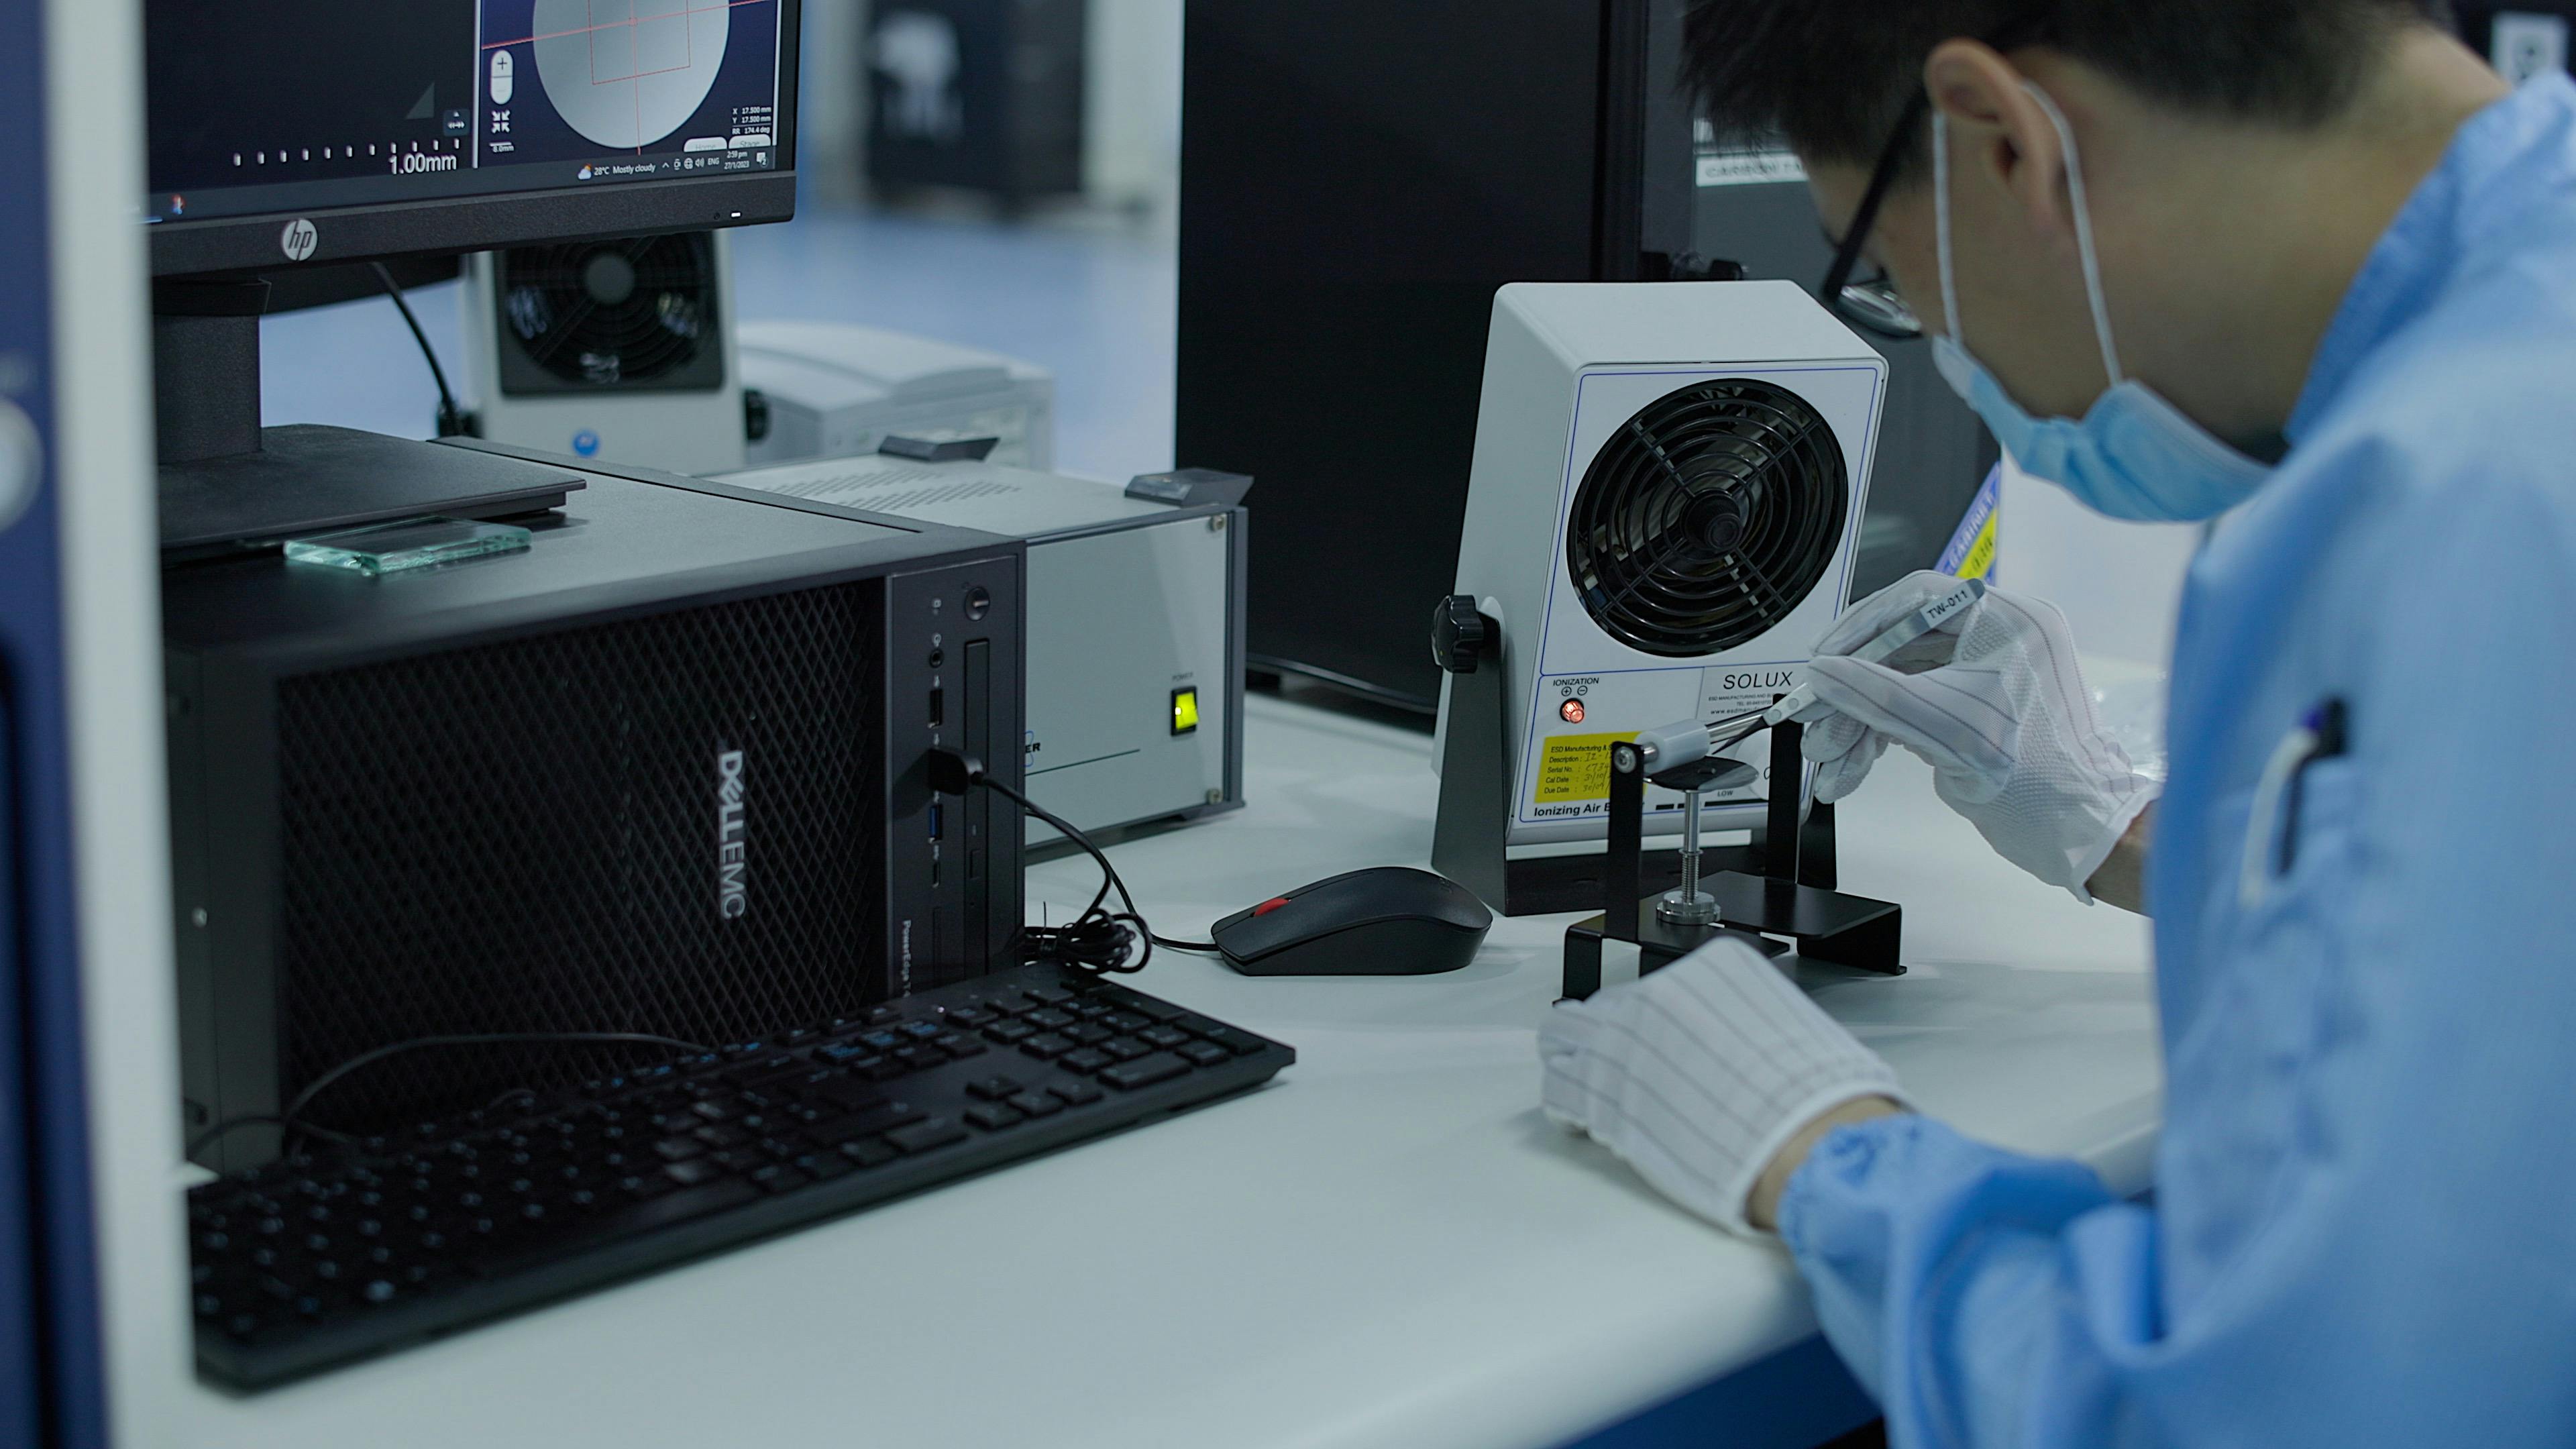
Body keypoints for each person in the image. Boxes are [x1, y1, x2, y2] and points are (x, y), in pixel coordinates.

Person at [1537, 2, 2576, 1442]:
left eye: (1898, 276)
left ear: (2004, 137)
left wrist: (1830, 1160)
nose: (1954, 359)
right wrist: (2136, 838)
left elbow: (2294, 1415)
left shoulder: (2451, 498)